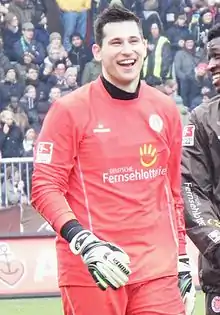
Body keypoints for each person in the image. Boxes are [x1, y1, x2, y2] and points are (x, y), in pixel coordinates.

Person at [31, 5, 193, 315]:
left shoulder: (165, 109)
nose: (127, 50)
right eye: (116, 43)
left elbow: (172, 193)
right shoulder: (69, 111)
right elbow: (44, 187)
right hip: (93, 270)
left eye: (134, 41)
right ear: (97, 51)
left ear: (145, 46)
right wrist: (84, 242)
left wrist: (182, 259)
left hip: (156, 270)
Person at [181, 23, 220, 315]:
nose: (212, 65)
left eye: (219, 56)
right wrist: (217, 242)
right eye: (210, 57)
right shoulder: (201, 119)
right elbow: (191, 188)